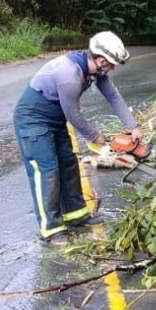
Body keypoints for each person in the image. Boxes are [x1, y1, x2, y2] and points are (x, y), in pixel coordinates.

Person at [13, 31, 144, 243]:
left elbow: (113, 95)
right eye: (112, 64)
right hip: (33, 119)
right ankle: (50, 229)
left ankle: (75, 215)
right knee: (46, 170)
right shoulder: (69, 76)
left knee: (68, 163)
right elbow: (73, 114)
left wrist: (133, 126)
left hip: (55, 118)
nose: (112, 68)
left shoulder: (94, 71)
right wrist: (96, 137)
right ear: (102, 61)